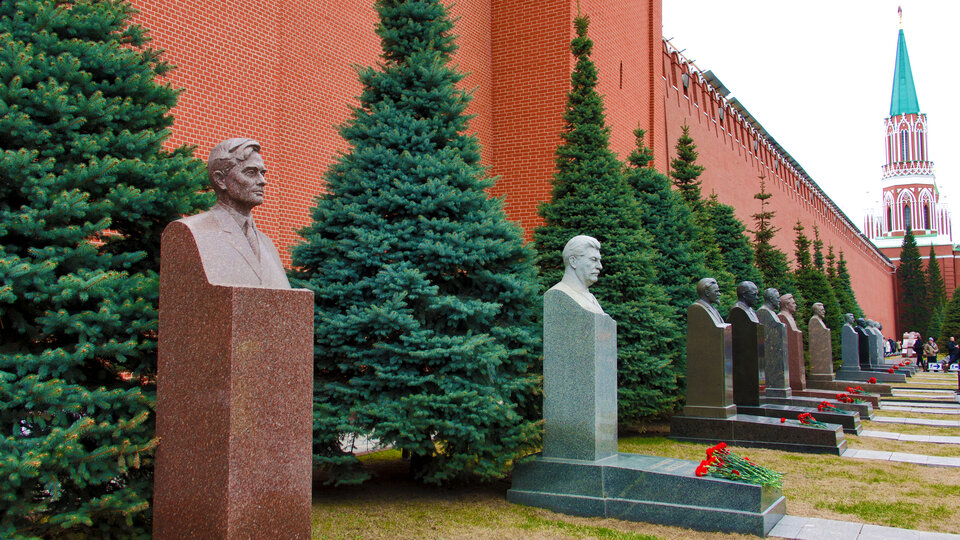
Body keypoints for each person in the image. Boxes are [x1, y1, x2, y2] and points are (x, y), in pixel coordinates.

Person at [170, 138, 290, 289]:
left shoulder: (267, 244)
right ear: (220, 180)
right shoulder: (191, 231)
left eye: (262, 173)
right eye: (251, 172)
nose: (262, 181)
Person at [550, 235, 604, 314]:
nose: (600, 266)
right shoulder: (559, 293)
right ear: (573, 261)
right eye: (593, 259)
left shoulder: (590, 297)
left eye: (599, 260)